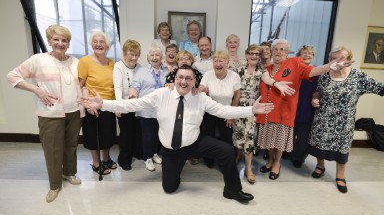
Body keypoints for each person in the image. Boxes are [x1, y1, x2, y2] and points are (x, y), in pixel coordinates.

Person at [79, 64, 275, 203]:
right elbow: (132, 104)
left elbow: (223, 110)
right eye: (180, 77)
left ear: (194, 82)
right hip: (171, 149)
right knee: (169, 188)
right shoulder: (161, 94)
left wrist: (251, 110)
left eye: (188, 78)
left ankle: (232, 190)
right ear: (174, 79)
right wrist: (103, 104)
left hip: (195, 142)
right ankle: (176, 168)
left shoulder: (201, 98)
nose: (183, 81)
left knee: (225, 150)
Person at [308, 46, 384, 193]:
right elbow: (317, 92)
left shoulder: (357, 77)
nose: (338, 61)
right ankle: (320, 166)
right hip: (323, 119)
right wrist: (315, 99)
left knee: (342, 148)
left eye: (342, 58)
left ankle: (340, 176)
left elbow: (382, 87)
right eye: (334, 58)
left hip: (344, 122)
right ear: (329, 60)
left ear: (349, 60)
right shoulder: (324, 75)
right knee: (320, 144)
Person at [7, 25, 84, 203]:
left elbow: (82, 84)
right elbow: (12, 76)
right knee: (52, 149)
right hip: (50, 113)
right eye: (56, 39)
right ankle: (54, 185)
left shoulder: (77, 62)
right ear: (49, 41)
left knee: (71, 146)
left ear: (69, 43)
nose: (60, 43)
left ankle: (70, 173)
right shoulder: (39, 60)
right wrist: (36, 89)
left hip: (74, 111)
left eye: (64, 40)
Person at [256, 39, 353, 180]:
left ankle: (277, 163)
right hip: (267, 111)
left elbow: (313, 71)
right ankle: (270, 161)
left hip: (285, 111)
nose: (278, 51)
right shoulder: (269, 68)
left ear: (287, 52)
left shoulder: (295, 63)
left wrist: (330, 66)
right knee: (269, 140)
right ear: (271, 52)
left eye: (282, 49)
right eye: (276, 49)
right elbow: (265, 80)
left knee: (279, 141)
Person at [78, 30, 116, 176]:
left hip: (107, 104)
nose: (98, 44)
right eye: (95, 41)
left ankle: (106, 159)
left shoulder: (112, 63)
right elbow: (80, 85)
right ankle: (96, 163)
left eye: (102, 42)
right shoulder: (85, 61)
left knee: (107, 134)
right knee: (93, 135)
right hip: (92, 104)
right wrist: (87, 105)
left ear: (107, 46)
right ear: (91, 44)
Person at [198, 50, 241, 168]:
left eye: (221, 61)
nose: (218, 64)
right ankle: (209, 159)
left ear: (227, 62)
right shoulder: (208, 74)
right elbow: (202, 87)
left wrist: (231, 114)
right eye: (215, 61)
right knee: (207, 136)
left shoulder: (234, 76)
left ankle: (225, 162)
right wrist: (199, 90)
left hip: (226, 111)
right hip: (210, 110)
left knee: (226, 138)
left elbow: (237, 95)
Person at [131, 47, 169, 171]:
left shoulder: (166, 71)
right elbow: (135, 86)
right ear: (148, 57)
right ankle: (147, 158)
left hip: (161, 109)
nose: (154, 57)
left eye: (157, 55)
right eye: (152, 55)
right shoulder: (142, 71)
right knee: (148, 135)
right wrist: (132, 96)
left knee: (157, 134)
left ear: (161, 57)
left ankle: (154, 154)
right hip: (146, 109)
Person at [232, 45, 263, 184]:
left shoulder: (262, 73)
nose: (254, 56)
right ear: (246, 55)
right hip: (238, 109)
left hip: (252, 110)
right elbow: (233, 90)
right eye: (251, 53)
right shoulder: (238, 71)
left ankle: (248, 169)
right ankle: (237, 157)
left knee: (249, 139)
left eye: (256, 54)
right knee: (237, 135)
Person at [113, 39, 142, 170]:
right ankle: (124, 159)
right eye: (131, 54)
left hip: (137, 106)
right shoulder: (118, 66)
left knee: (136, 132)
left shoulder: (140, 68)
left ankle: (136, 153)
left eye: (136, 54)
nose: (134, 57)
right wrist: (119, 106)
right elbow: (118, 88)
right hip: (124, 106)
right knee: (126, 134)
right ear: (124, 54)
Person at [290, 44, 318, 168]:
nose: (307, 55)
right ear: (298, 56)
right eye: (304, 53)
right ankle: (286, 153)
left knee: (303, 136)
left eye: (310, 53)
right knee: (289, 134)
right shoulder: (293, 70)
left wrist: (316, 98)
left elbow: (320, 89)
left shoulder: (317, 71)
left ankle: (298, 157)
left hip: (308, 108)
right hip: (292, 106)